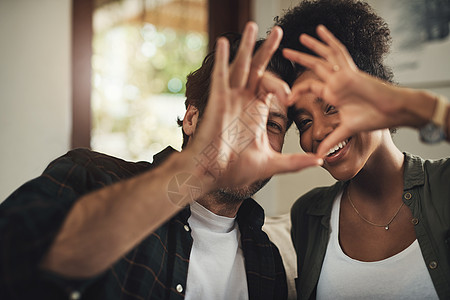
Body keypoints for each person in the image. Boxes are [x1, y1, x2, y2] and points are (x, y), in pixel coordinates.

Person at [0, 23, 322, 300]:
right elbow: (15, 258)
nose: (252, 134)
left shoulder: (267, 260)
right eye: (240, 112)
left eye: (273, 125)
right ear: (192, 119)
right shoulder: (92, 178)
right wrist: (198, 167)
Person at [275, 0, 450, 299]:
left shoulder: (444, 185)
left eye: (331, 106)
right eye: (303, 122)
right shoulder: (308, 215)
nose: (317, 132)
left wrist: (414, 106)